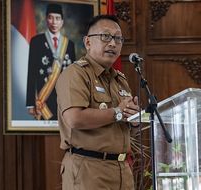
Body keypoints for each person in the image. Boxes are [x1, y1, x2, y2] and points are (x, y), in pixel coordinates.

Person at [55, 15, 140, 190]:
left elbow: (124, 124)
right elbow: (74, 118)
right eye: (105, 36)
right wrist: (118, 112)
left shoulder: (120, 80)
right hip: (88, 168)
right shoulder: (76, 74)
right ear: (87, 42)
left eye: (118, 38)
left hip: (122, 170)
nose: (112, 43)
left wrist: (134, 119)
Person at [26, 3, 76, 120]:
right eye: (51, 17)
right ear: (46, 19)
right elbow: (31, 72)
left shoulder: (69, 45)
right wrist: (30, 103)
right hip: (43, 101)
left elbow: (73, 76)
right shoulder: (36, 41)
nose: (54, 22)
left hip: (63, 99)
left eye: (57, 18)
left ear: (62, 21)